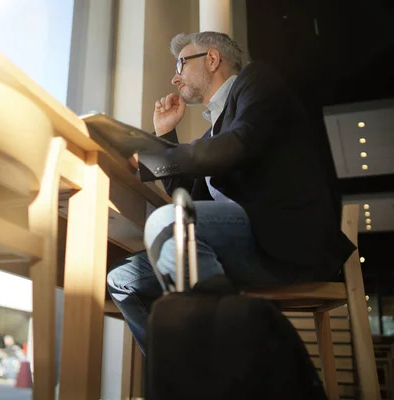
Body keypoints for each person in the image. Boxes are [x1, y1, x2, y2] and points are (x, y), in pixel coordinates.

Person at [106, 31, 355, 353]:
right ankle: (189, 382)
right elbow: (191, 200)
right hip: (247, 246)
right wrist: (167, 135)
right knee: (124, 281)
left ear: (211, 59)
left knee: (171, 222)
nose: (174, 77)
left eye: (181, 64)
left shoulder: (257, 80)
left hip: (289, 244)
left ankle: (230, 370)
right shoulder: (216, 130)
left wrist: (155, 160)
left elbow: (241, 144)